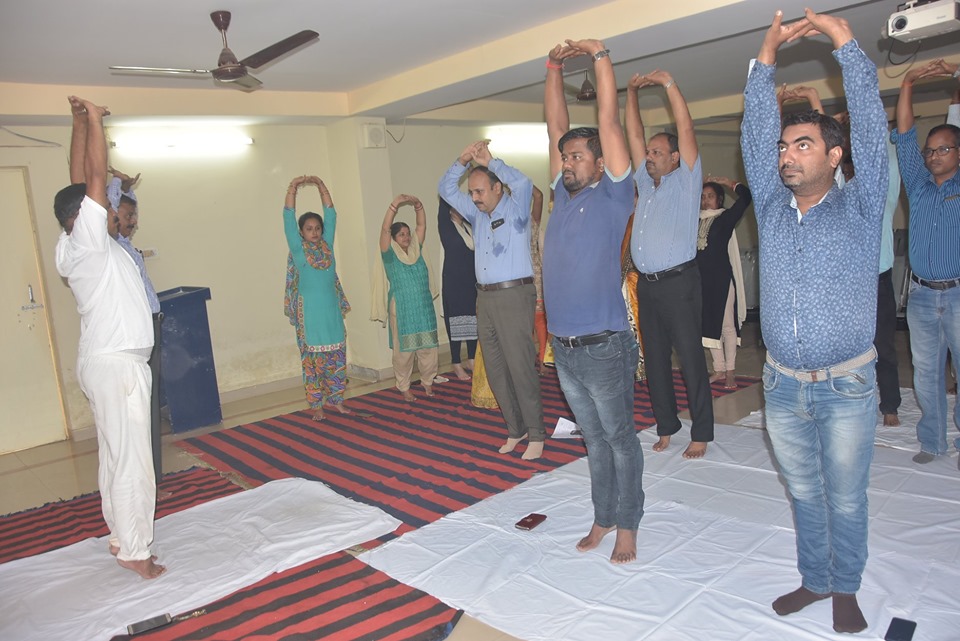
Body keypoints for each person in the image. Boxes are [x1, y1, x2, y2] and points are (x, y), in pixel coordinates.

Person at [741, 10, 888, 633]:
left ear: (834, 155)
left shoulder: (860, 203)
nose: (786, 155)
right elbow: (753, 136)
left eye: (803, 145)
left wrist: (845, 43)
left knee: (846, 496)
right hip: (781, 383)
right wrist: (765, 56)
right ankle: (816, 578)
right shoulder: (773, 210)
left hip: (846, 385)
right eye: (784, 145)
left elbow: (874, 131)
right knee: (803, 492)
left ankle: (847, 586)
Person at [55, 96, 164, 579]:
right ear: (84, 216)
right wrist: (97, 120)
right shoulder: (88, 240)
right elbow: (93, 181)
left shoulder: (75, 243)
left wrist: (79, 123)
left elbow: (82, 179)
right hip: (118, 365)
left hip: (106, 361)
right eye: (100, 205)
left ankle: (121, 536)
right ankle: (136, 551)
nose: (111, 205)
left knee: (115, 456)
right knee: (132, 462)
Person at [543, 38, 644, 563]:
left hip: (605, 345)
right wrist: (554, 66)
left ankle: (628, 524)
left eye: (578, 157)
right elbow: (556, 123)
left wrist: (601, 56)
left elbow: (607, 121)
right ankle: (604, 515)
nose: (567, 162)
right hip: (565, 347)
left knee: (620, 438)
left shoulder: (614, 194)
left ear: (603, 164)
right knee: (594, 440)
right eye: (565, 157)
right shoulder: (563, 194)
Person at [780, 85, 904, 426]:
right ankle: (834, 399)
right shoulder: (837, 199)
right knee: (843, 349)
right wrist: (818, 106)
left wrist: (873, 128)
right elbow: (823, 154)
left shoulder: (876, 197)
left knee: (884, 346)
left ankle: (889, 405)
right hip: (840, 284)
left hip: (875, 281)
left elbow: (883, 161)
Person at [625, 66, 713, 459]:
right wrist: (629, 94)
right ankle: (666, 426)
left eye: (658, 153)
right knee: (655, 357)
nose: (650, 157)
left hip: (679, 283)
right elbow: (632, 135)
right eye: (650, 153)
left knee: (690, 357)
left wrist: (669, 85)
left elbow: (687, 127)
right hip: (648, 283)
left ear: (676, 157)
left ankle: (702, 432)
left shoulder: (687, 180)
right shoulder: (645, 183)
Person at [438, 141, 545, 459]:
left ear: (498, 188)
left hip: (514, 294)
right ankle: (516, 429)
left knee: (520, 366)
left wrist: (491, 161)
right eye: (471, 192)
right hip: (484, 297)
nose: (474, 198)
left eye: (480, 191)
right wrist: (462, 159)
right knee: (496, 369)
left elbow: (524, 182)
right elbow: (445, 187)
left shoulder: (516, 208)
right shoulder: (476, 214)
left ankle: (536, 433)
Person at [891, 58, 960, 466]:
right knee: (926, 373)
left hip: (958, 294)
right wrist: (909, 82)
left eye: (943, 149)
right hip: (920, 296)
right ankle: (933, 441)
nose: (934, 155)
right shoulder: (917, 186)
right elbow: (903, 135)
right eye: (930, 150)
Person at [110, 167, 166, 487]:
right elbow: (111, 203)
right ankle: (146, 482)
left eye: (135, 216)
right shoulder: (110, 243)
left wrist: (128, 189)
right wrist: (119, 183)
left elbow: (123, 205)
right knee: (138, 412)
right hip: (132, 337)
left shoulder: (128, 247)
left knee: (149, 408)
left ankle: (153, 479)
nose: (132, 222)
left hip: (149, 328)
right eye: (126, 215)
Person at [283, 175, 351, 422]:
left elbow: (331, 214)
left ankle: (337, 400)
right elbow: (287, 218)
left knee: (336, 359)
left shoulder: (328, 248)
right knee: (312, 364)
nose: (314, 232)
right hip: (309, 317)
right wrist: (293, 188)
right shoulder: (298, 250)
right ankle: (316, 404)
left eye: (318, 228)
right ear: (301, 232)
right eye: (309, 229)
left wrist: (322, 187)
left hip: (331, 314)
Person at [376, 194, 439, 402]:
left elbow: (421, 226)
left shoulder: (416, 251)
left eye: (407, 234)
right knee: (404, 352)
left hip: (423, 307)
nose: (407, 237)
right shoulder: (389, 255)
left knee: (428, 348)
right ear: (393, 238)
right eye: (401, 235)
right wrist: (394, 205)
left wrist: (418, 206)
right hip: (402, 309)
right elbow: (384, 230)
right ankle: (404, 386)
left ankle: (428, 382)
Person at [697, 175, 751, 390]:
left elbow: (746, 197)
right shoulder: (694, 220)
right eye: (702, 197)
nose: (706, 201)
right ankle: (718, 369)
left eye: (710, 196)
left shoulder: (726, 218)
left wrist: (729, 183)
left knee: (727, 325)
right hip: (700, 281)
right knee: (708, 326)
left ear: (719, 199)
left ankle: (730, 371)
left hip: (721, 279)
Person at [437, 199, 477, 381]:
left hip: (471, 282)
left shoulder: (470, 227)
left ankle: (471, 358)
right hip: (454, 283)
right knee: (457, 322)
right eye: (457, 205)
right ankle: (455, 362)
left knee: (472, 321)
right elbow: (443, 205)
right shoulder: (447, 227)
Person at [529, 186, 548, 372]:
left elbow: (539, 195)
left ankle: (542, 359)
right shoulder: (505, 221)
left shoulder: (531, 221)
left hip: (534, 276)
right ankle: (530, 361)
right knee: (526, 324)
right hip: (516, 280)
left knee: (539, 321)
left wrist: (519, 180)